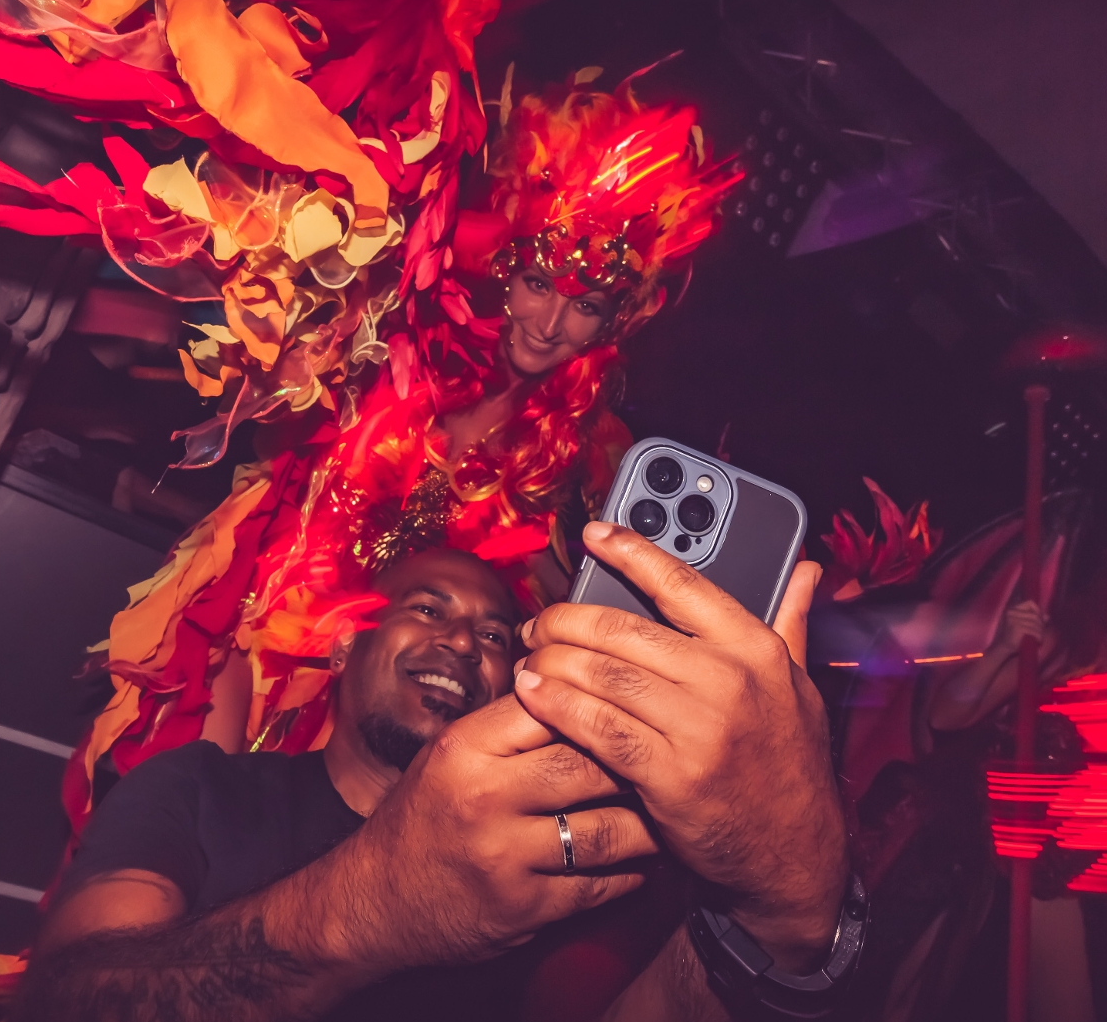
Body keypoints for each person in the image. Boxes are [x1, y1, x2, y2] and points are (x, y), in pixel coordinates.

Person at [4, 525, 852, 1022]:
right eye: (427, 608)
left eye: (494, 635)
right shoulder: (202, 792)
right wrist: (374, 905)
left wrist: (777, 919)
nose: (462, 643)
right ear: (347, 641)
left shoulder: (559, 858)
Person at [69, 79, 741, 835]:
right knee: (171, 823)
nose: (550, 323)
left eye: (585, 306)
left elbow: (560, 620)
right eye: (538, 284)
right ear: (507, 269)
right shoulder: (395, 336)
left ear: (613, 322)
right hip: (255, 624)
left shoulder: (587, 457)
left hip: (381, 705)